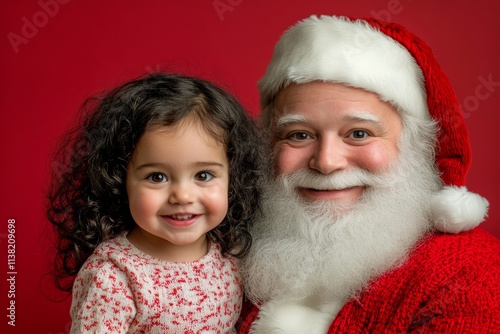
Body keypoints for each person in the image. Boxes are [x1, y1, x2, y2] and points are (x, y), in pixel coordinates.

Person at [238, 15, 500, 333]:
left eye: (359, 133)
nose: (326, 162)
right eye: (298, 134)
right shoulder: (230, 256)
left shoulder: (469, 272)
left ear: (415, 146)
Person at [46, 73, 262, 333]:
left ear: (232, 177)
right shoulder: (113, 277)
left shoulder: (232, 255)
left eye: (203, 175)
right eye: (157, 177)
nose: (182, 196)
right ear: (119, 180)